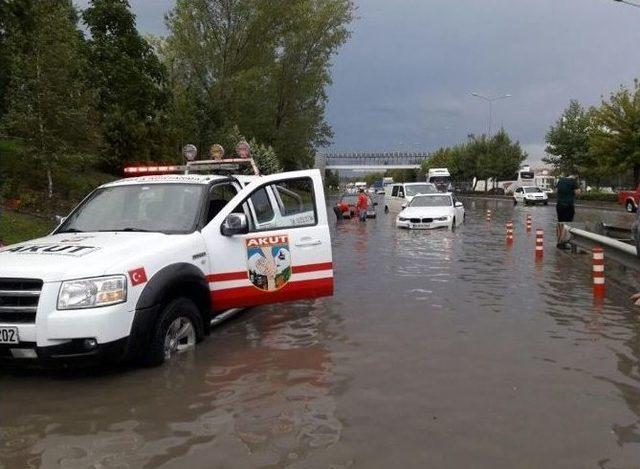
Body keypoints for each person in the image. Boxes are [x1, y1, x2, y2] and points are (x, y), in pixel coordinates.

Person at [555, 174, 579, 247]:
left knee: (560, 223)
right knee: (568, 224)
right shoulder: (573, 181)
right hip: (568, 205)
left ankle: (559, 242)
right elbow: (577, 192)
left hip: (559, 205)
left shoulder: (560, 180)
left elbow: (556, 190)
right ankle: (564, 242)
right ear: (576, 176)